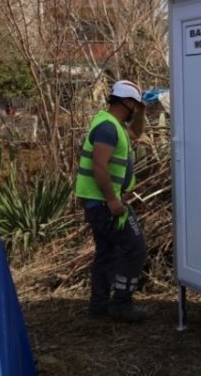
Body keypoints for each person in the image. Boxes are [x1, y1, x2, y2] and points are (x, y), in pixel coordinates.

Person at [75, 79, 148, 322]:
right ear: (127, 102)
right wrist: (112, 200)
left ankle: (99, 303)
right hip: (104, 203)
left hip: (100, 202)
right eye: (135, 105)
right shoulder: (107, 128)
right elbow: (99, 165)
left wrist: (140, 113)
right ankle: (121, 303)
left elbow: (137, 133)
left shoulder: (114, 125)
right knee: (135, 248)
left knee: (107, 251)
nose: (136, 108)